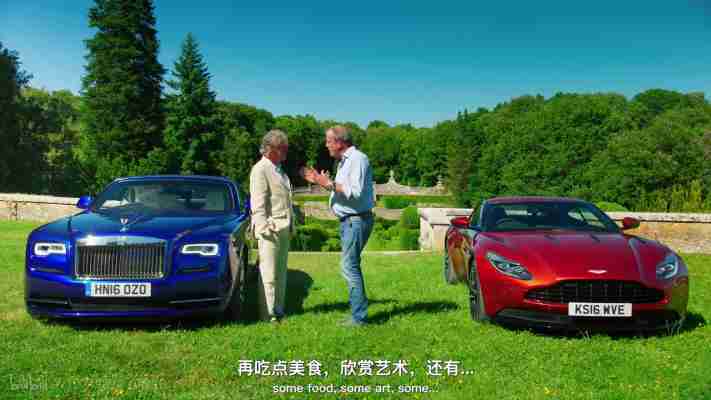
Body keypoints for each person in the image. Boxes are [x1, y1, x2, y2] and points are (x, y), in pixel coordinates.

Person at [302, 125, 375, 326]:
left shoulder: (357, 159)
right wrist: (320, 181)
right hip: (350, 221)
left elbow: (355, 191)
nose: (326, 145)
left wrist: (329, 183)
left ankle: (359, 317)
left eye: (328, 141)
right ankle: (358, 314)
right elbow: (343, 191)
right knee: (350, 265)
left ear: (340, 142)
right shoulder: (345, 161)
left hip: (355, 220)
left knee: (349, 266)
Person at [249, 129, 293, 323]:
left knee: (280, 273)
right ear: (270, 148)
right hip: (270, 229)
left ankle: (278, 310)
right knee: (268, 274)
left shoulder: (279, 169)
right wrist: (264, 228)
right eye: (283, 148)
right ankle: (268, 316)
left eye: (286, 148)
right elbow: (257, 203)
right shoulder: (260, 169)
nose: (286, 152)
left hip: (284, 227)